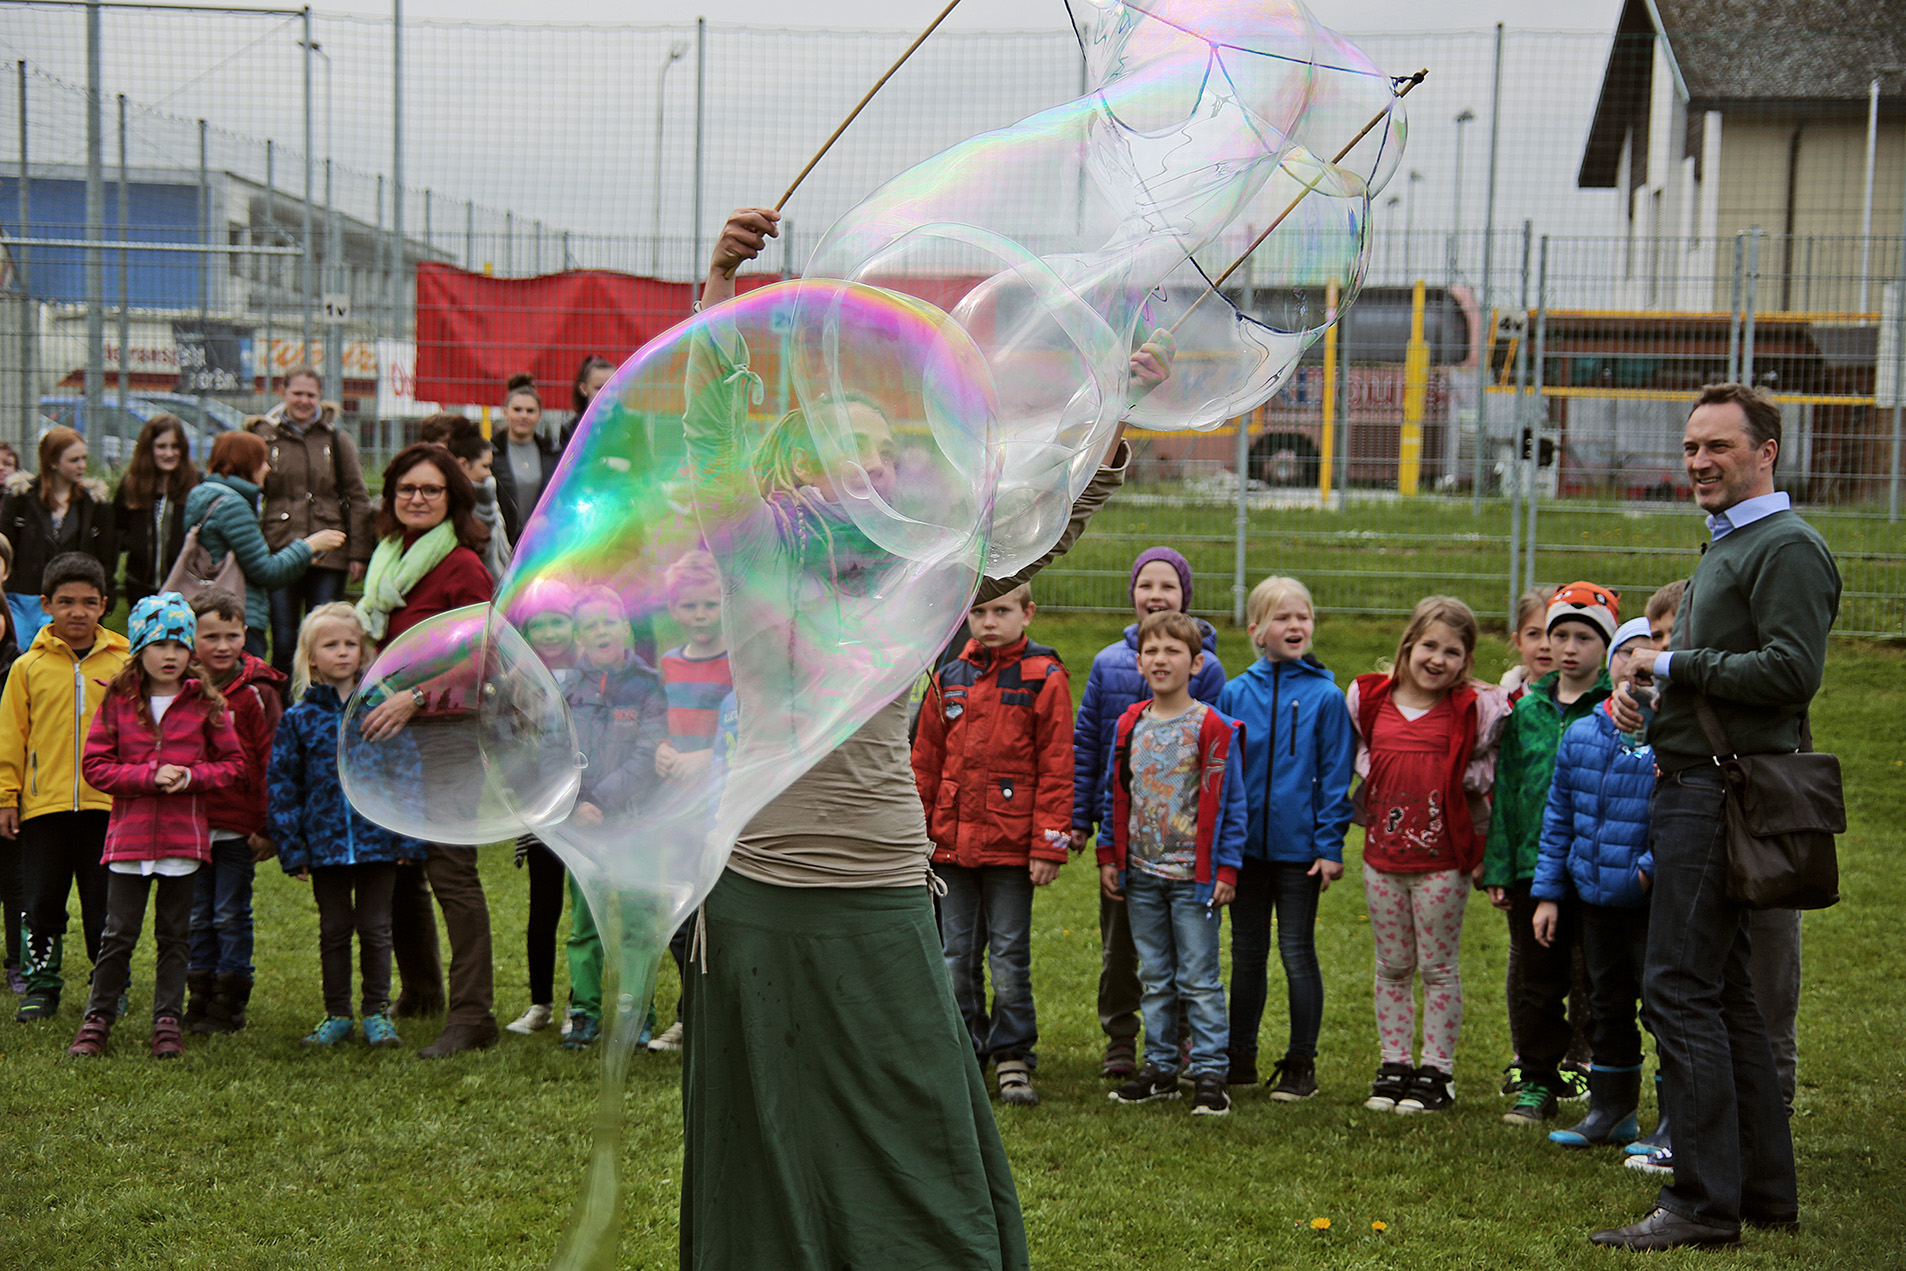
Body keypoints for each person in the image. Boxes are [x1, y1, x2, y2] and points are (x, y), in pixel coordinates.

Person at [676, 206, 1159, 1270]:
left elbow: (1041, 530)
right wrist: (719, 285)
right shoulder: (754, 557)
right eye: (844, 450)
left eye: (884, 454)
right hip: (757, 880)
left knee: (914, 1108)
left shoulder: (920, 582)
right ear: (799, 467)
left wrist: (1112, 417)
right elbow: (709, 440)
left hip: (882, 875)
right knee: (768, 1117)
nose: (869, 471)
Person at [1594, 384, 1839, 1251]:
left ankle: (1700, 1203)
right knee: (1727, 993)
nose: (1698, 461)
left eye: (1718, 446)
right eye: (1691, 447)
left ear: (1766, 451)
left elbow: (1791, 672)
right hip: (1697, 781)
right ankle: (1763, 1191)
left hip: (1716, 794)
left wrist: (1675, 665)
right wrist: (1653, 698)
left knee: (1677, 987)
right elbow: (1722, 677)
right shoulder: (1733, 542)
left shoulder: (1788, 545)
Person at [353, 442, 501, 1058]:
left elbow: (483, 657)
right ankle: (421, 990)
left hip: (447, 735)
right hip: (393, 739)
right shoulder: (389, 559)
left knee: (450, 871)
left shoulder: (463, 566)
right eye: (406, 489)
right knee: (400, 864)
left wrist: (415, 698)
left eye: (430, 490)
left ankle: (473, 1015)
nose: (417, 499)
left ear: (452, 498)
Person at [911, 582, 1073, 1108]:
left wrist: (1048, 845)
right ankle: (964, 1049)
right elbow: (925, 761)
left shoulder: (1043, 676)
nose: (989, 622)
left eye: (1002, 610)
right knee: (954, 957)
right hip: (951, 848)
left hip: (1011, 847)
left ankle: (1012, 1055)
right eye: (979, 612)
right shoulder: (948, 677)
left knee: (1007, 957)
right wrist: (917, 832)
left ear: (1028, 613)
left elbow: (1057, 764)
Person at [1347, 596, 1508, 1115]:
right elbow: (1361, 754)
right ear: (1409, 644)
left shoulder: (1472, 711)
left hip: (1442, 863)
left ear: (1467, 660)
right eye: (1430, 646)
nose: (1438, 659)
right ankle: (1394, 1064)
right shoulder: (1370, 699)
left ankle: (1437, 1071)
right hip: (1382, 860)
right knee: (1392, 965)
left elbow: (1487, 768)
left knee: (1438, 967)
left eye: (1452, 651)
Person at [65, 593, 244, 1060]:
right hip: (128, 841)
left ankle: (167, 1021)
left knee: (175, 937)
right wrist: (147, 776)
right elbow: (96, 765)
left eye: (180, 645)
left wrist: (190, 777)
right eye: (160, 644)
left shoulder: (206, 703)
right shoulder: (117, 701)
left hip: (183, 842)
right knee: (117, 935)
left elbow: (232, 764)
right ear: (140, 648)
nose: (171, 655)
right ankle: (97, 1019)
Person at [1071, 545, 1227, 1078]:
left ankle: (1180, 1038)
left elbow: (1217, 759)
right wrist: (1080, 817)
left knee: (1184, 947)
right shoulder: (1107, 663)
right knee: (1120, 945)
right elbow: (1087, 744)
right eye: (1146, 585)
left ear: (1185, 596)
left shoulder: (1208, 668)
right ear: (1132, 593)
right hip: (1125, 835)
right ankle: (1121, 1035)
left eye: (1168, 586)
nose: (1156, 595)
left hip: (1183, 839)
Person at [1098, 609, 1246, 1117]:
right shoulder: (1129, 724)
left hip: (1193, 881)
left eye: (1173, 651)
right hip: (1141, 876)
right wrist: (1109, 855)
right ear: (1139, 662)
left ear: (1196, 663)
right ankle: (1160, 1068)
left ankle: (1209, 1073)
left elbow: (1232, 804)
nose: (1161, 660)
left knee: (1199, 980)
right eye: (1152, 651)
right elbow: (1116, 794)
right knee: (1156, 977)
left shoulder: (1213, 727)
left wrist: (1226, 869)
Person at [1484, 580, 1618, 1128]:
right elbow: (1508, 791)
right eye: (1560, 635)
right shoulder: (1527, 711)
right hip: (1532, 869)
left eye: (1584, 638)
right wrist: (1500, 865)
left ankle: (1606, 1082)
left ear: (1606, 646)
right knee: (1538, 980)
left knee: (1601, 979)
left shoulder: (1615, 708)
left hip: (1597, 867)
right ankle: (1536, 1081)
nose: (1567, 648)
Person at [1215, 575, 1353, 1098]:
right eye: (1282, 617)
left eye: (1303, 616)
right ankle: (1239, 1056)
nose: (1296, 626)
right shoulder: (1235, 692)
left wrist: (1329, 845)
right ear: (1256, 630)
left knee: (1297, 953)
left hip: (1301, 855)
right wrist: (1225, 846)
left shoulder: (1326, 697)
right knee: (1247, 954)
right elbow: (1224, 776)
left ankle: (1300, 1063)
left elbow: (1336, 776)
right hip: (1246, 852)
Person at [271, 602, 428, 1048]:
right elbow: (283, 783)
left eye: (350, 644)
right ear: (310, 658)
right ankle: (337, 1014)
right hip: (324, 845)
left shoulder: (380, 710)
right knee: (334, 930)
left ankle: (376, 1013)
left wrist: (409, 839)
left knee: (376, 928)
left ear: (363, 652)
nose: (342, 652)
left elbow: (407, 773)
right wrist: (292, 847)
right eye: (331, 645)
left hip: (378, 842)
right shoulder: (299, 719)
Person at [1531, 616, 1658, 1149]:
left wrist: (1649, 869)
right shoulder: (1583, 733)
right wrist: (1548, 892)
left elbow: (1677, 811)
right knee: (1607, 1003)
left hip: (1649, 899)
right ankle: (1610, 1110)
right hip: (1594, 896)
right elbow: (1559, 816)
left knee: (1662, 1007)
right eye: (1627, 652)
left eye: (1649, 653)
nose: (1636, 663)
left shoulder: (1669, 736)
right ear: (1612, 664)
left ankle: (1676, 1119)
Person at [0, 552, 132, 1023]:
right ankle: (41, 985)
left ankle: (110, 985)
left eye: (89, 603)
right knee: (40, 901)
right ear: (45, 605)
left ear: (104, 606)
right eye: (66, 602)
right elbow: (11, 737)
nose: (78, 612)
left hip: (107, 808)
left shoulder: (125, 664)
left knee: (106, 905)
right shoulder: (27, 667)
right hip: (43, 809)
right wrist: (7, 797)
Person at [558, 585, 666, 1049]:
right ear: (579, 636)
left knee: (639, 922)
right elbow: (554, 751)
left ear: (625, 628)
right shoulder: (567, 689)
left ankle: (636, 1014)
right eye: (590, 625)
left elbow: (648, 754)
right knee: (585, 923)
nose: (601, 631)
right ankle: (583, 1011)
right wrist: (577, 804)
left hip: (634, 822)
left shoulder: (649, 685)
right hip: (581, 827)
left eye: (609, 622)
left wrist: (601, 801)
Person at [182, 587, 287, 1036]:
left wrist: (267, 827)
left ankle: (230, 997)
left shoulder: (258, 693)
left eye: (232, 635)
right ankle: (199, 992)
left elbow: (273, 763)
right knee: (195, 914)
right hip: (191, 826)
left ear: (245, 633)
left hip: (239, 828)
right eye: (211, 637)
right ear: (191, 639)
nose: (222, 646)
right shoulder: (181, 687)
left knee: (230, 912)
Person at [648, 551, 733, 1052]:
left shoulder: (737, 663)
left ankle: (708, 1016)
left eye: (710, 603)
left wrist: (708, 758)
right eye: (689, 606)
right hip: (677, 807)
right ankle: (691, 1013)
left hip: (718, 807)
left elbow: (745, 728)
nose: (700, 615)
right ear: (673, 609)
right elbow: (663, 719)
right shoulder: (670, 663)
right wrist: (662, 749)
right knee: (679, 917)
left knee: (715, 913)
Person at [251, 368, 375, 676]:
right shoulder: (265, 437)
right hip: (280, 548)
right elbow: (253, 491)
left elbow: (357, 497)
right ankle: (286, 701)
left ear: (320, 396)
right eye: (297, 394)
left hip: (330, 551)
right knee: (283, 639)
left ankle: (322, 698)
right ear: (283, 393)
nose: (304, 401)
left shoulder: (336, 439)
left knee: (324, 636)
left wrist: (358, 553)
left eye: (310, 394)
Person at [183, 430, 346, 661]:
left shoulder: (203, 496)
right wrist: (309, 545)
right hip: (238, 614)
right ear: (245, 463)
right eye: (262, 461)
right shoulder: (232, 506)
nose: (268, 468)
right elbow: (266, 571)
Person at [1, 427, 116, 637]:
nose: (82, 465)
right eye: (74, 460)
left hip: (72, 600)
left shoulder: (95, 505)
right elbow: (6, 548)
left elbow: (107, 558)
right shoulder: (20, 499)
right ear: (53, 462)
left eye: (84, 458)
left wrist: (103, 594)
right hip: (22, 598)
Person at [112, 415, 200, 611]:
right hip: (140, 586)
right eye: (161, 446)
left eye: (175, 446)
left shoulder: (196, 484)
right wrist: (134, 543)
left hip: (185, 587)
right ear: (148, 448)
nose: (169, 453)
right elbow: (117, 528)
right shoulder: (131, 484)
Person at [419, 412, 513, 581]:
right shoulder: (444, 502)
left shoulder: (490, 494)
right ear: (463, 464)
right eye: (485, 466)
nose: (489, 474)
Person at [492, 374, 562, 547]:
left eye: (530, 411)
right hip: (502, 541)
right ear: (505, 412)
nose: (524, 415)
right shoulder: (491, 453)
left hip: (541, 542)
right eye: (517, 410)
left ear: (539, 415)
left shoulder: (553, 453)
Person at [562, 353, 617, 450]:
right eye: (599, 388)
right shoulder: (572, 429)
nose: (607, 395)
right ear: (583, 389)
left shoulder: (631, 423)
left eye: (612, 388)